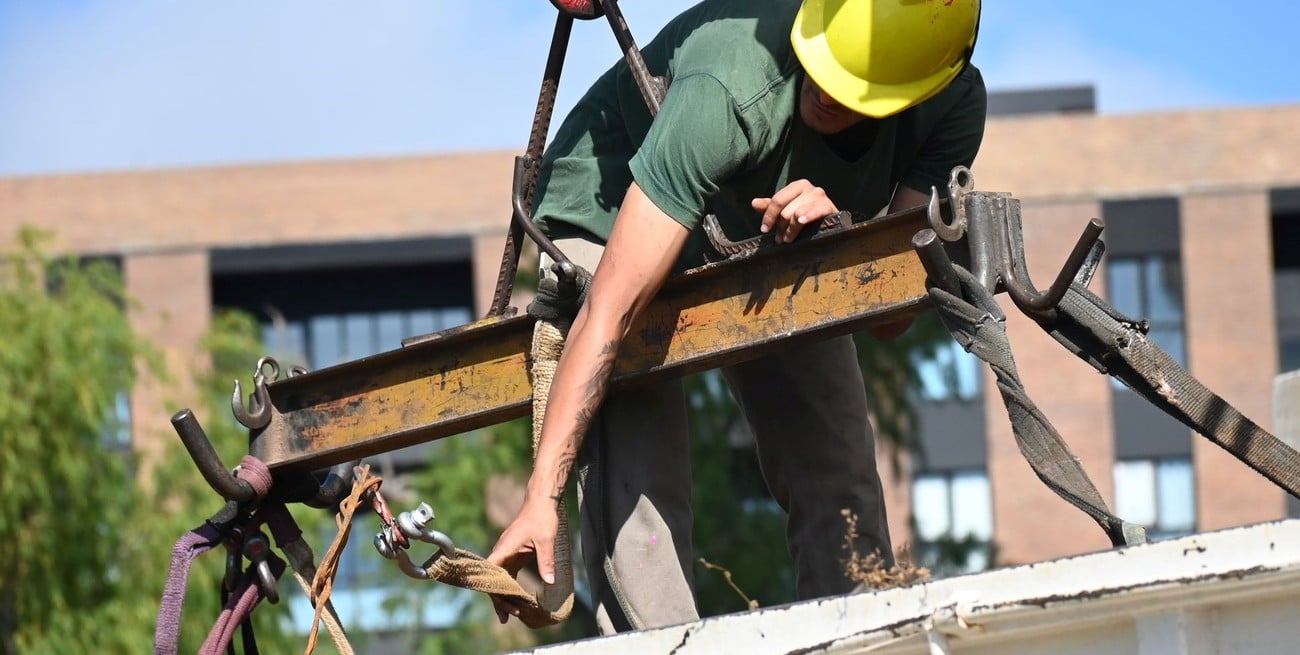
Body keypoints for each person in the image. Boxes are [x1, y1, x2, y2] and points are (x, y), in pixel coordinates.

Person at [487, 0, 986, 633]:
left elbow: (889, 318)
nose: (828, 96)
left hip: (761, 234)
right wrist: (541, 498)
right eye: (822, 69)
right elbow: (607, 314)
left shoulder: (951, 105)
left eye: (853, 91)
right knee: (639, 453)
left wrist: (840, 235)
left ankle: (861, 638)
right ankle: (665, 643)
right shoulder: (732, 82)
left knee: (839, 471)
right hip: (611, 202)